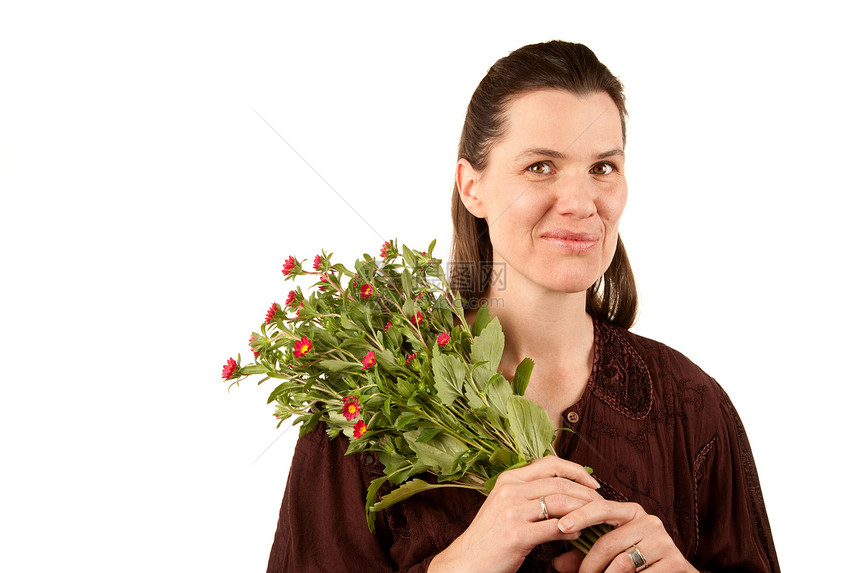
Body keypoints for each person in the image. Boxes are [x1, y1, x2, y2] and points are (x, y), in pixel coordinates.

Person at [267, 41, 780, 572]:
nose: (581, 203)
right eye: (540, 167)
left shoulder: (693, 407)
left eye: (603, 168)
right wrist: (463, 562)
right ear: (473, 187)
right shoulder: (366, 405)